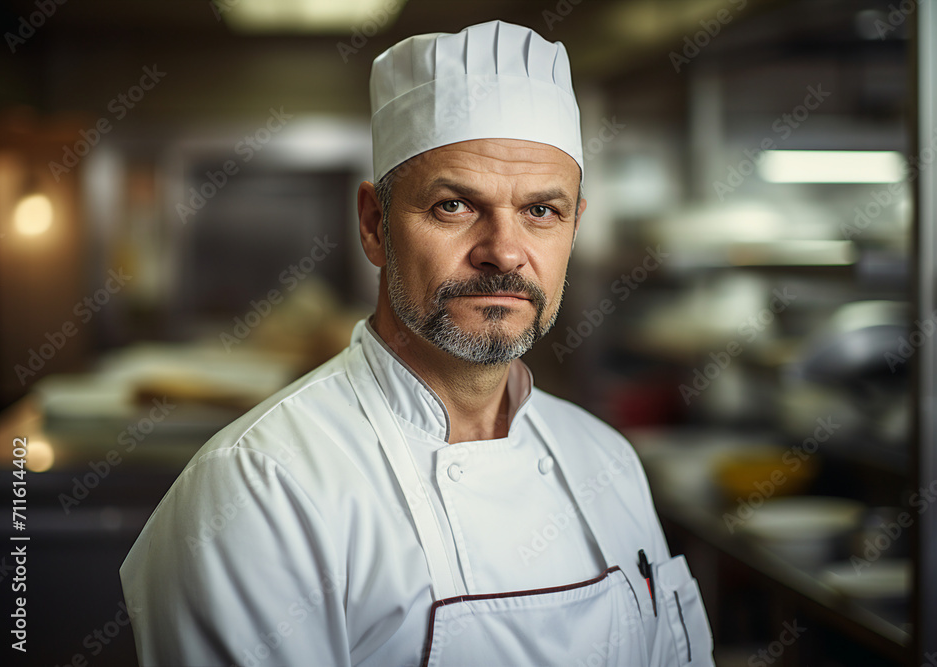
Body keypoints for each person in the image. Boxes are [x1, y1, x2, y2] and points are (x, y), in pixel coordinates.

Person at [121, 20, 715, 667]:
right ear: (374, 225)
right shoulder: (261, 486)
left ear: (575, 226)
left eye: (542, 211)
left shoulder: (606, 459)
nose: (504, 251)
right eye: (454, 206)